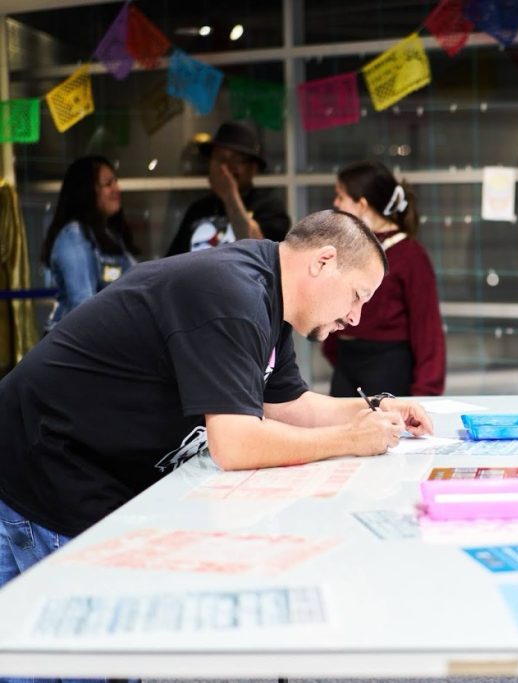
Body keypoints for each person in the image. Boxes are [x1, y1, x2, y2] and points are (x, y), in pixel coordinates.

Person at [0, 210, 433, 597]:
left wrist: (374, 409)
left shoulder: (271, 298)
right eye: (357, 295)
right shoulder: (231, 294)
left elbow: (286, 405)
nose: (356, 317)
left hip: (88, 469)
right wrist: (350, 439)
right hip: (42, 467)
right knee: (69, 650)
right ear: (323, 262)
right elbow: (236, 443)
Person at [322, 160, 445, 397]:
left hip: (388, 367)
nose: (335, 204)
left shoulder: (410, 254)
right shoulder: (347, 247)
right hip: (346, 364)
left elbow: (427, 328)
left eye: (340, 196)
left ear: (361, 204)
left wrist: (426, 392)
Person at [40, 155, 136, 332]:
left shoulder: (110, 234)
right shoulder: (74, 236)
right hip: (74, 347)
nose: (117, 188)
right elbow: (83, 306)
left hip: (102, 341)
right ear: (86, 191)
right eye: (108, 184)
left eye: (116, 181)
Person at [165, 121, 290, 255]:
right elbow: (173, 260)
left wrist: (230, 196)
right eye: (220, 159)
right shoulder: (198, 210)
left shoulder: (269, 208)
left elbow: (258, 251)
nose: (225, 168)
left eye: (236, 160)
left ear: (253, 169)